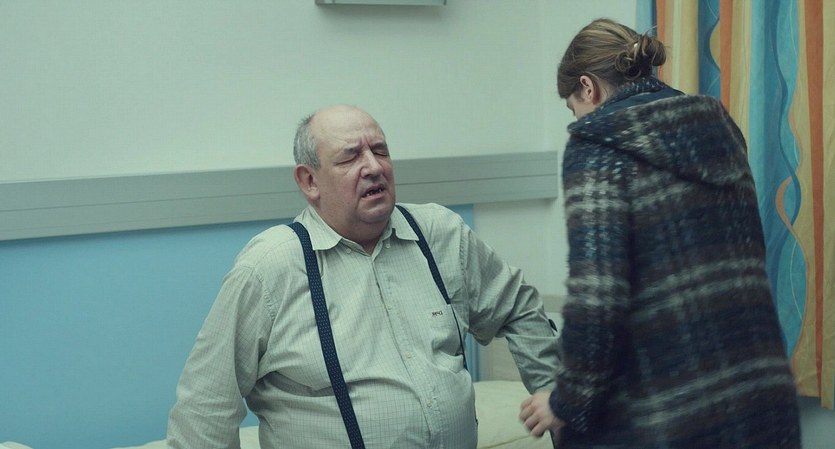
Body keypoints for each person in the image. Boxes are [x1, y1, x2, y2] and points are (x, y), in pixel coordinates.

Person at [167, 104, 561, 449]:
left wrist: (555, 393)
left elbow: (519, 309)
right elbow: (206, 406)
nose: (374, 167)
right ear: (309, 181)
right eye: (350, 157)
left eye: (380, 150)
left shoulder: (440, 234)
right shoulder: (270, 267)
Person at [519, 18, 801, 449]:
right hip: (761, 400)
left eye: (573, 107)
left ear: (587, 87)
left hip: (676, 420)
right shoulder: (719, 127)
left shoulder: (597, 145)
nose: (576, 119)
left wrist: (565, 401)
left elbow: (599, 299)